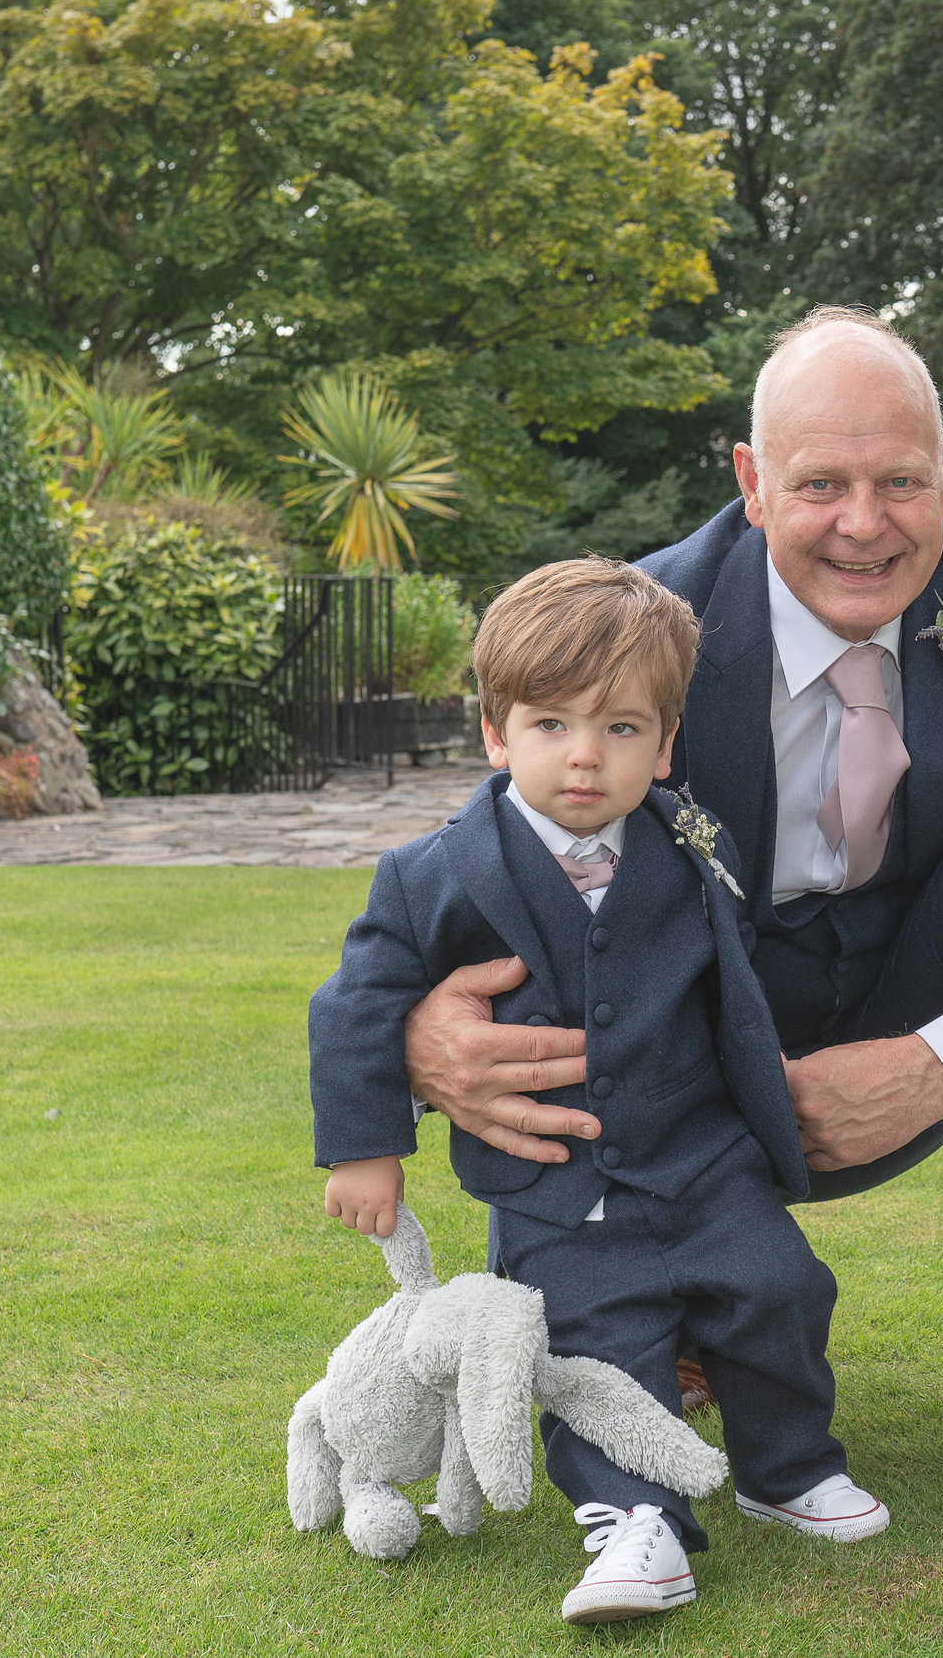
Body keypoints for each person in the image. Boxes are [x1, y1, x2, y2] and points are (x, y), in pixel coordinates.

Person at [394, 309, 943, 1506]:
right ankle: (652, 1312)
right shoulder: (648, 617)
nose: (862, 522)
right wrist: (421, 1036)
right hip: (689, 1040)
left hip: (908, 997)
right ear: (750, 482)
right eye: (819, 483)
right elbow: (485, 853)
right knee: (574, 915)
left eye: (898, 480)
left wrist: (942, 1063)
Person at [307, 559, 887, 1629]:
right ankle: (633, 1521)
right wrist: (366, 1146)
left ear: (664, 745)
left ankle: (786, 1466)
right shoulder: (432, 873)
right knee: (591, 1349)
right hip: (551, 1190)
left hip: (704, 1162)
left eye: (622, 728)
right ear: (494, 731)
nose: (585, 754)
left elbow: (735, 978)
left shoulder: (690, 841)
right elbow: (356, 1004)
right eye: (551, 724)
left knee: (779, 1291)